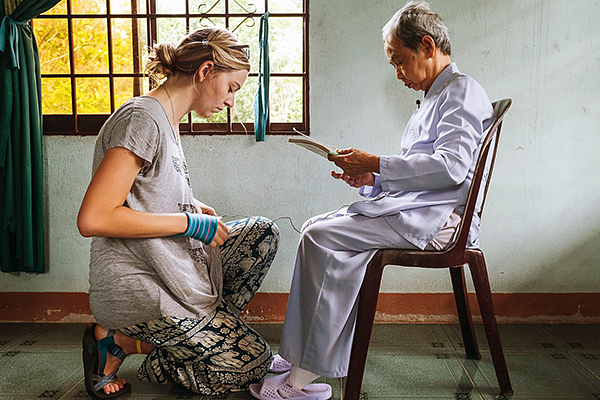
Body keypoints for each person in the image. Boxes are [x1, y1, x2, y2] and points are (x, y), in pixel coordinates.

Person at [248, 2, 495, 399]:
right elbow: (422, 171)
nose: (398, 74)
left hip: (440, 221)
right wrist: (372, 178)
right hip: (420, 209)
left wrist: (377, 162)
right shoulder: (436, 97)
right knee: (314, 228)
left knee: (320, 238)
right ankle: (299, 356)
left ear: (428, 46)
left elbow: (450, 169)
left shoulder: (460, 91)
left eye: (401, 61)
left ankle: (301, 376)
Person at [77, 26, 280, 399]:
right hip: (139, 280)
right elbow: (94, 217)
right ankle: (125, 341)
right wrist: (190, 221)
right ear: (205, 72)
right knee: (253, 366)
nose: (232, 101)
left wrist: (189, 203)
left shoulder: (167, 120)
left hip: (171, 264)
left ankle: (163, 340)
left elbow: (143, 192)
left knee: (261, 234)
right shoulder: (142, 118)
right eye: (232, 88)